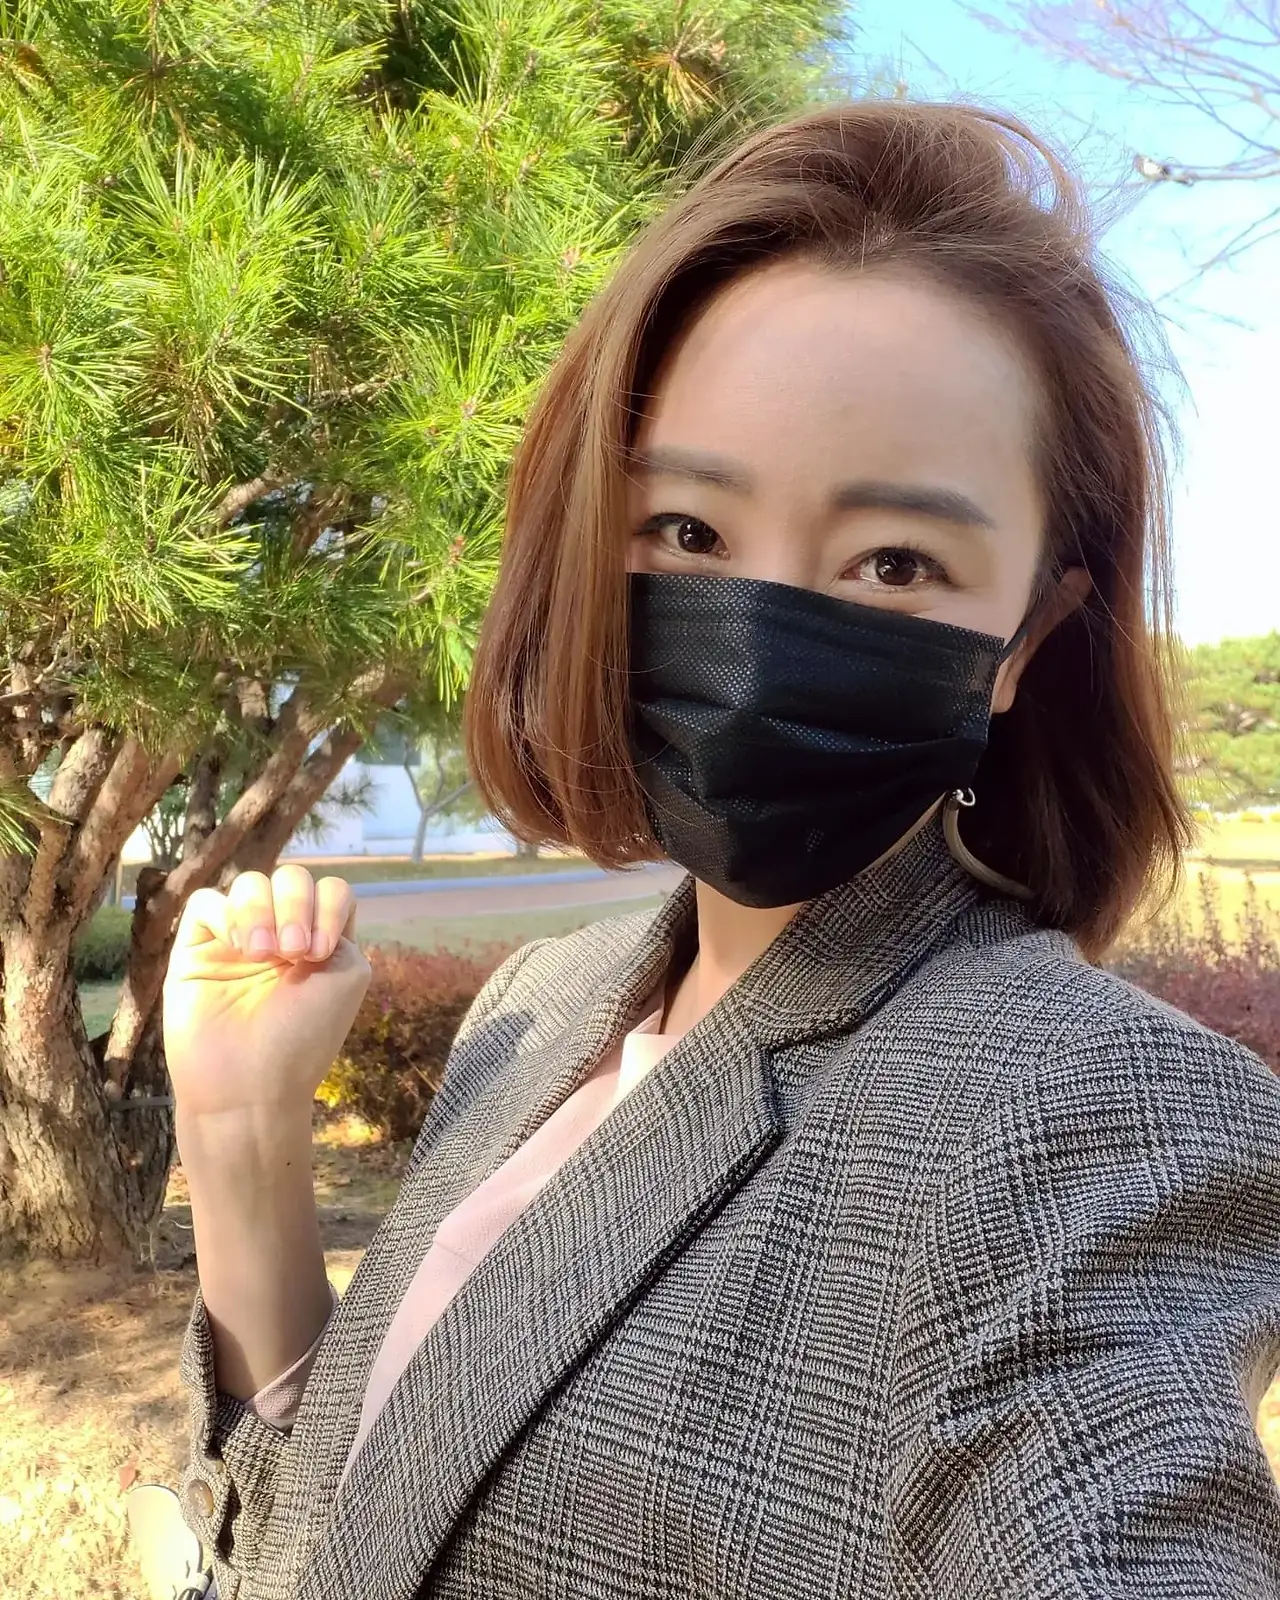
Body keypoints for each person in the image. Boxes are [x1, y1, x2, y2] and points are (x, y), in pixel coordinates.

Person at [165, 99, 1280, 1600]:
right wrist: (243, 1138)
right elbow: (351, 1520)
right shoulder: (540, 1009)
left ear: (1026, 640)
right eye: (688, 532)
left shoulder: (1087, 1121)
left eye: (896, 561)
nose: (755, 647)